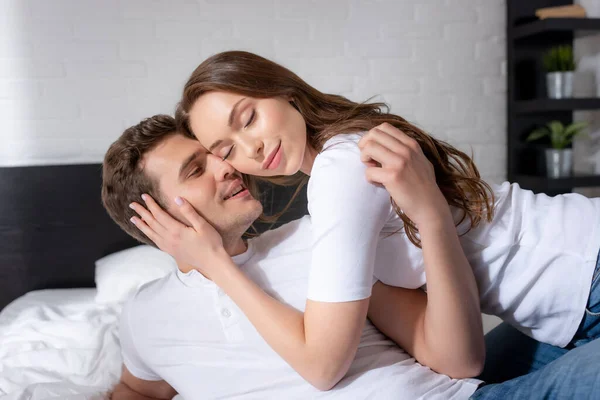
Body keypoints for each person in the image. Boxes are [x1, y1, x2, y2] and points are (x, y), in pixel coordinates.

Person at [132, 51, 600, 396]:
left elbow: (321, 364)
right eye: (227, 149)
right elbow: (460, 360)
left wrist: (218, 265)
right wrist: (433, 216)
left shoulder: (339, 173)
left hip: (582, 269)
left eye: (248, 118)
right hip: (563, 301)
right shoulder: (336, 169)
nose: (249, 151)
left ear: (281, 90)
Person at [101, 115, 482, 399]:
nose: (227, 165)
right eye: (197, 170)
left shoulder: (316, 239)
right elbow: (139, 392)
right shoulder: (144, 314)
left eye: (214, 155)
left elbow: (450, 357)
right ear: (157, 219)